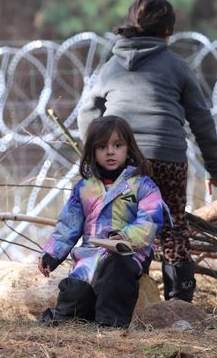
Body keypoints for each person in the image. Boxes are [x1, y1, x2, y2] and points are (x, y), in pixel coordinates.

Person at [77, 0, 217, 302]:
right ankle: (179, 303)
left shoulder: (110, 67)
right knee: (172, 226)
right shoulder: (177, 67)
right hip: (167, 158)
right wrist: (215, 170)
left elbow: (87, 113)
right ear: (168, 31)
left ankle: (123, 295)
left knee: (123, 223)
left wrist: (96, 156)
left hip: (122, 160)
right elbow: (202, 121)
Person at [39, 115, 166, 327]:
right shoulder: (84, 188)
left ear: (129, 148)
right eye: (102, 147)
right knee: (75, 288)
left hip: (128, 253)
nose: (110, 152)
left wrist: (124, 237)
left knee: (116, 272)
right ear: (92, 152)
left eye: (117, 145)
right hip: (90, 253)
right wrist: (52, 253)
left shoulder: (143, 186)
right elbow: (68, 225)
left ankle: (111, 323)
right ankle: (70, 318)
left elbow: (150, 221)